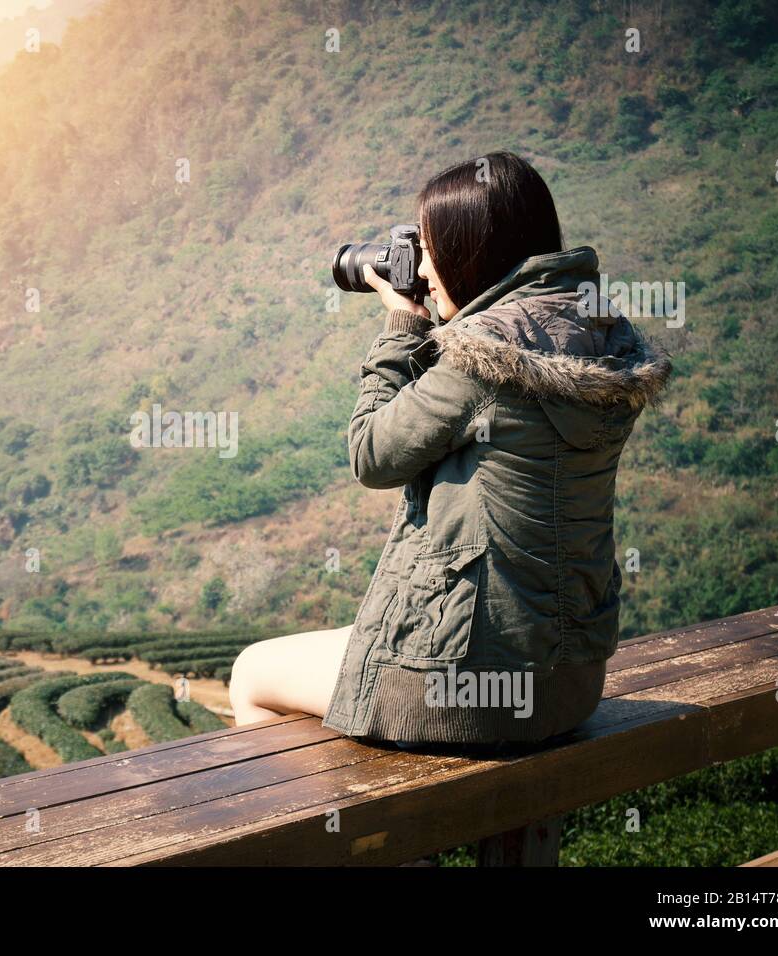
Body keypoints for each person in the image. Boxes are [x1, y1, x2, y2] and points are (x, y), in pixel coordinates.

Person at [228, 151, 673, 745]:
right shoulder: (601, 337)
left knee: (251, 672)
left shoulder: (484, 358)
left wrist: (401, 332)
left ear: (472, 251)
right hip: (571, 682)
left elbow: (370, 455)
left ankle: (339, 826)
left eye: (432, 247)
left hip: (465, 690)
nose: (427, 270)